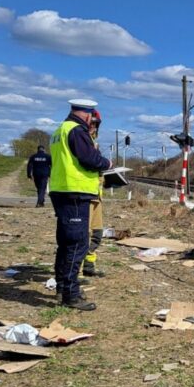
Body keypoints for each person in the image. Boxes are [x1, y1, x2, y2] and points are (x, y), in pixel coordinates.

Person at [48, 99, 111, 311]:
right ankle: (71, 294)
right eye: (91, 116)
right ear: (86, 114)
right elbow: (89, 159)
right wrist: (107, 163)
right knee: (77, 244)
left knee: (66, 243)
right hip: (75, 193)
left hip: (62, 190)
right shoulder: (76, 130)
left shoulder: (60, 130)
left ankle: (62, 287)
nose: (92, 120)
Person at [82, 110, 105, 278]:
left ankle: (89, 265)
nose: (93, 127)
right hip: (84, 195)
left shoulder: (93, 143)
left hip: (96, 195)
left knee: (96, 233)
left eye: (95, 124)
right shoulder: (81, 142)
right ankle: (76, 272)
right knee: (83, 234)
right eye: (91, 123)